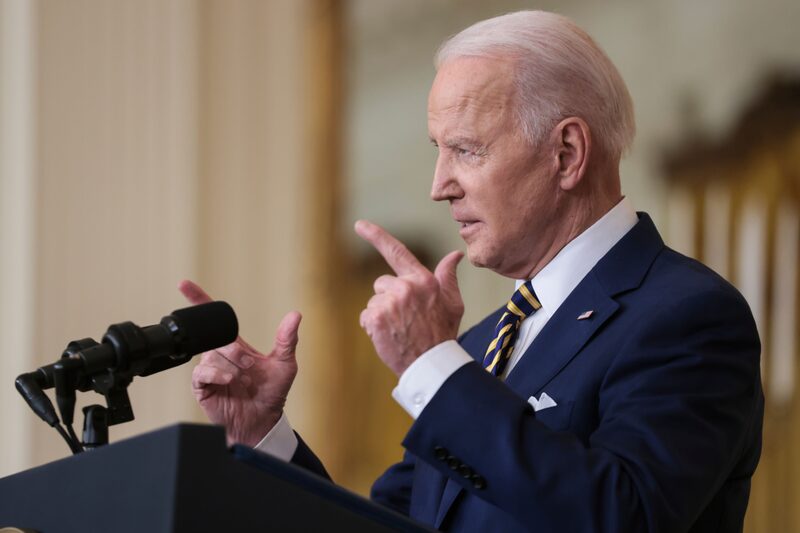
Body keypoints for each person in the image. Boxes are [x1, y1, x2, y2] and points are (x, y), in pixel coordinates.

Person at [179, 10, 763, 532]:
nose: (439, 186)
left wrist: (434, 365)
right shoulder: (479, 347)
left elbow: (624, 515)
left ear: (566, 154)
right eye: (438, 150)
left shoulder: (686, 314)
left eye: (466, 150)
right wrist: (263, 438)